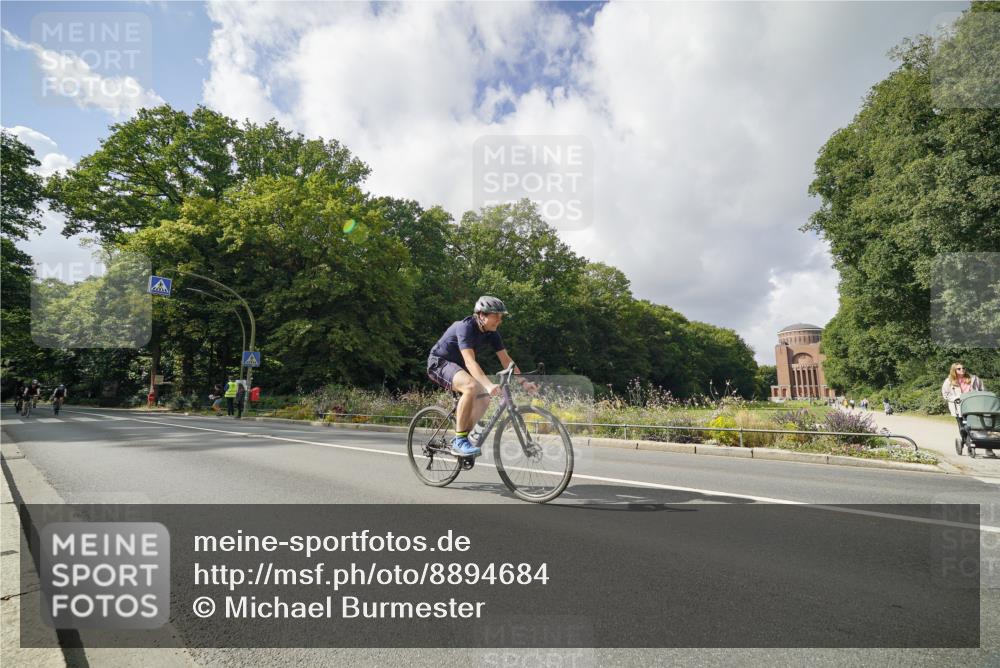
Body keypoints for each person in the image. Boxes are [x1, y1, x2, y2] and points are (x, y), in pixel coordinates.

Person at [426, 296, 537, 457]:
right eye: (496, 316)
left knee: (484, 398)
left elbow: (506, 361)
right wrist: (488, 385)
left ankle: (463, 436)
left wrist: (523, 382)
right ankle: (459, 440)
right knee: (471, 386)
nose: (500, 320)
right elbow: (470, 362)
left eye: (501, 317)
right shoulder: (466, 327)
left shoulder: (492, 333)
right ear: (482, 315)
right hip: (440, 363)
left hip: (458, 367)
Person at [942, 362, 985, 441]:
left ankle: (979, 441)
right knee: (961, 426)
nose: (962, 370)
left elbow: (982, 390)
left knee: (974, 424)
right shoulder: (949, 381)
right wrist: (955, 398)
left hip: (972, 405)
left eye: (963, 368)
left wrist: (978, 396)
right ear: (954, 370)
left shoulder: (974, 378)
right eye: (959, 369)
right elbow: (945, 394)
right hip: (957, 406)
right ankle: (965, 441)